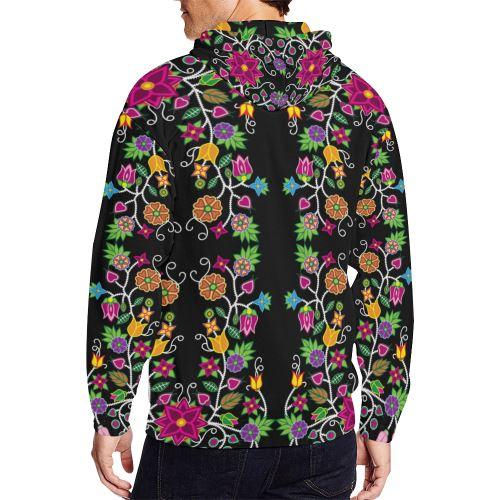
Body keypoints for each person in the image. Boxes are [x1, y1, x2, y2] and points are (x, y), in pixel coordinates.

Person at [87, 0, 414, 498]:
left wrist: (111, 408)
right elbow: (386, 269)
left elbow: (129, 264)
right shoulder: (358, 101)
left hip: (196, 429)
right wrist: (380, 418)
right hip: (320, 429)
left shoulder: (163, 95)